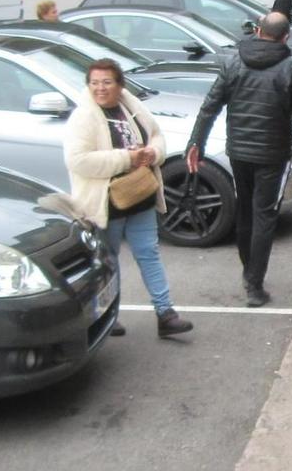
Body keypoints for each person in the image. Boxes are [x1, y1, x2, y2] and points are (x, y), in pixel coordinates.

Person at [185, 11, 292, 308]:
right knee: (264, 216)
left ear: (258, 31)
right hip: (272, 154)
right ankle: (254, 285)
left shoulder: (233, 62)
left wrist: (196, 142)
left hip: (239, 152)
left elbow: (210, 106)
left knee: (246, 212)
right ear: (286, 37)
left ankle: (249, 271)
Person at [63, 58, 194, 340]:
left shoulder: (130, 106)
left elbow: (156, 136)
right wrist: (126, 158)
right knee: (108, 260)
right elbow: (78, 161)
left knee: (149, 253)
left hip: (140, 196)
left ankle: (165, 313)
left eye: (107, 82)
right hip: (106, 203)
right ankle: (109, 314)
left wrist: (152, 154)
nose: (101, 88)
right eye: (95, 83)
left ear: (119, 85)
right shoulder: (84, 116)